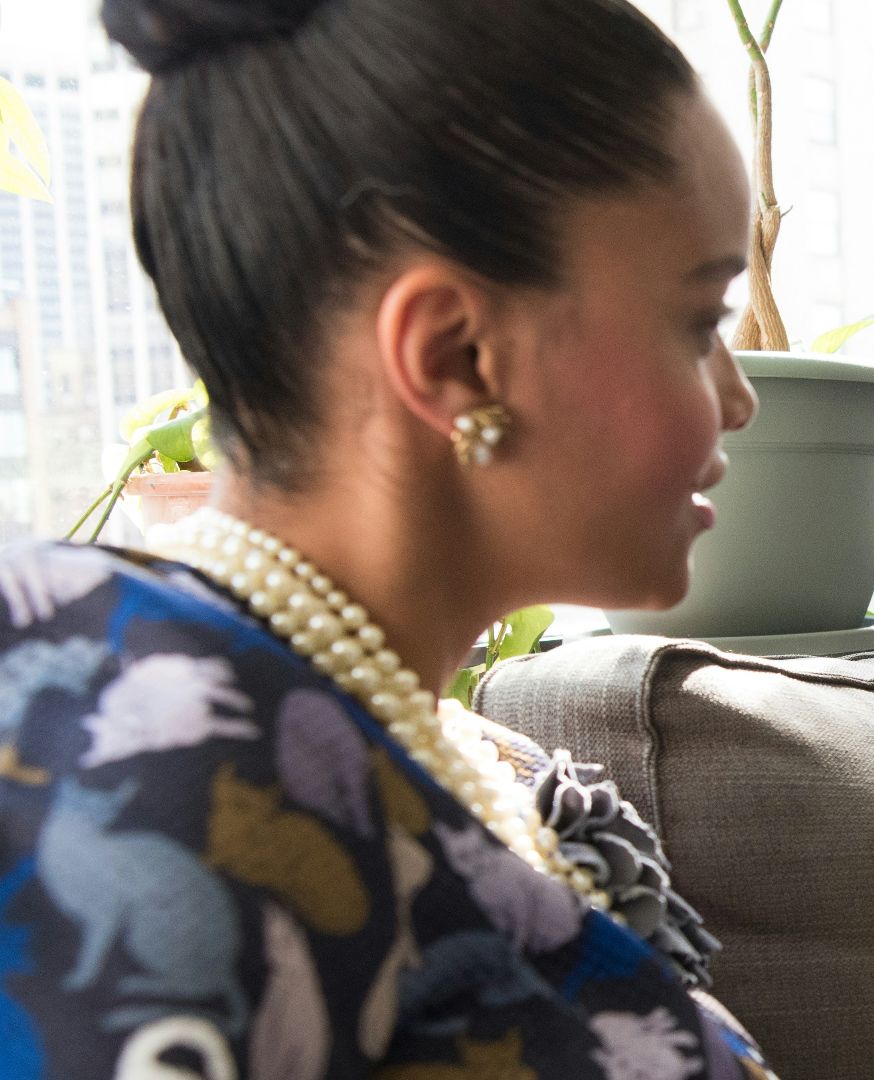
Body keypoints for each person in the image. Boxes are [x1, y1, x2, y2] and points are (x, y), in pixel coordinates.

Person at [0, 0, 777, 1075]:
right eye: (701, 323)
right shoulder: (162, 762)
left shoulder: (473, 770)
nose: (738, 401)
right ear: (454, 356)